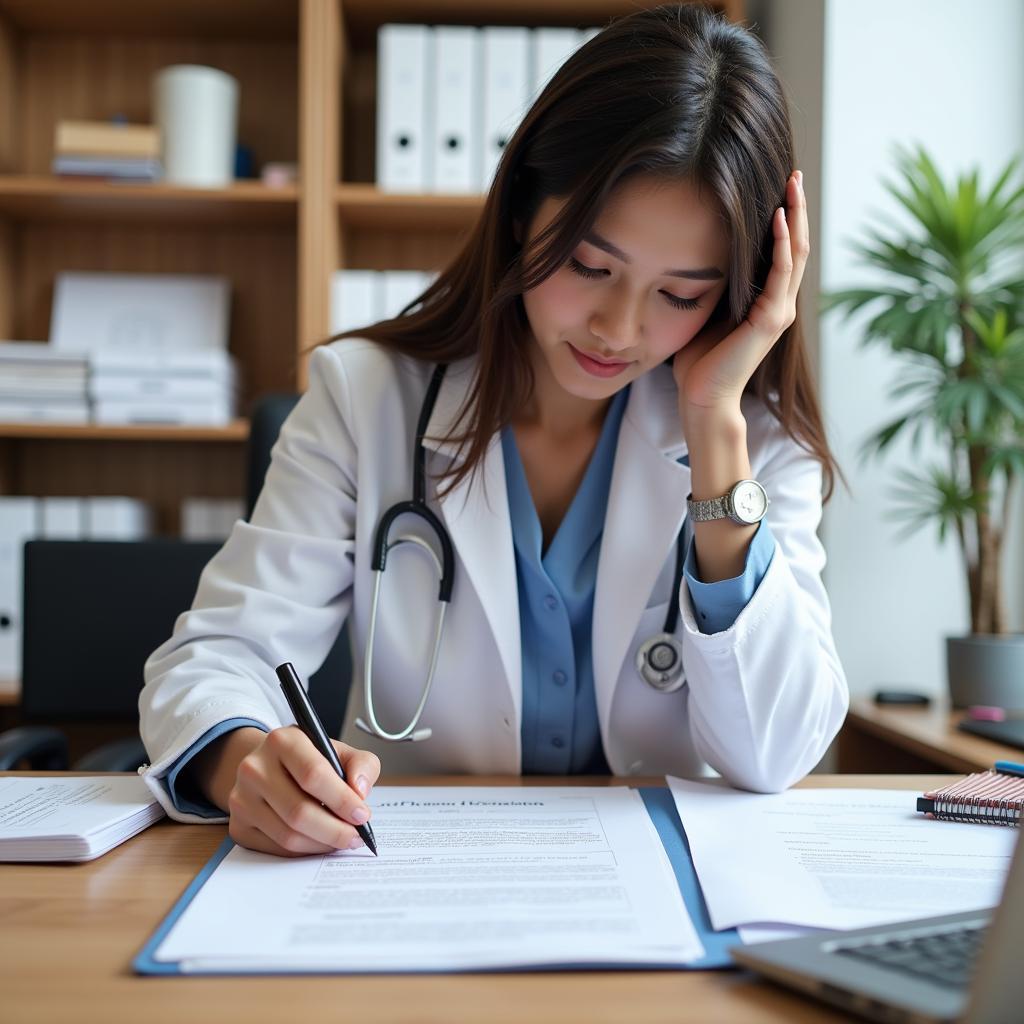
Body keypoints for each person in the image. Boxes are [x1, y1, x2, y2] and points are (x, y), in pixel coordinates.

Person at [139, 3, 849, 858]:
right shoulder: (365, 398)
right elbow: (212, 661)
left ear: (741, 293)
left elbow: (776, 753)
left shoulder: (758, 443)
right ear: (521, 212)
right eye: (590, 265)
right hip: (421, 886)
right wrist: (242, 761)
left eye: (682, 294)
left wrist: (712, 426)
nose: (617, 329)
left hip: (669, 908)